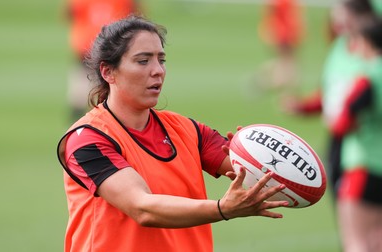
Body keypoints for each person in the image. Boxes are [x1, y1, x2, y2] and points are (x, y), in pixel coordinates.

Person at [56, 15, 289, 252]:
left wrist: (259, 153)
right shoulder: (86, 139)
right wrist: (222, 208)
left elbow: (256, 172)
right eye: (143, 61)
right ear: (108, 72)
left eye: (161, 59)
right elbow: (142, 207)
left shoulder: (188, 130)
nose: (158, 71)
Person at [282, 0, 373, 198]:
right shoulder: (339, 47)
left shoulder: (371, 51)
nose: (338, 22)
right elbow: (332, 93)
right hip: (339, 137)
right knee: (342, 200)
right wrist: (304, 107)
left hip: (365, 142)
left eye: (344, 17)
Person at [335, 14, 382, 252]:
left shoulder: (368, 76)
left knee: (356, 242)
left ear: (366, 42)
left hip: (364, 166)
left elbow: (341, 122)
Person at [65, 0, 139, 121]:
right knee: (110, 83)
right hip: (113, 45)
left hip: (86, 42)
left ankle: (78, 114)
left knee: (83, 80)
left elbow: (69, 14)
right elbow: (134, 15)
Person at [256, 0, 304, 89]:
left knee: (287, 60)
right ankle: (276, 80)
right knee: (286, 60)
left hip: (287, 32)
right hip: (284, 32)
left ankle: (278, 80)